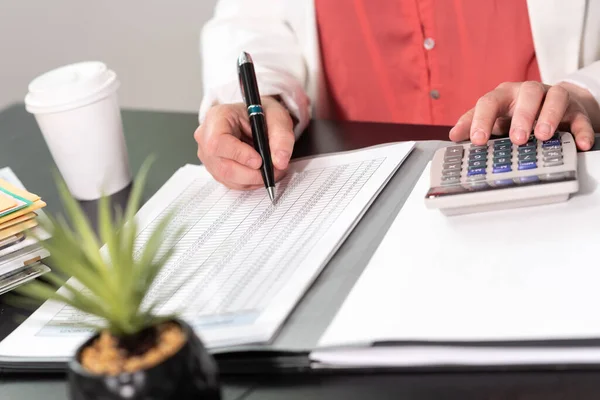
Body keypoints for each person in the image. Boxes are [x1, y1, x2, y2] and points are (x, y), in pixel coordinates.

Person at [195, 0, 600, 190]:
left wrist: (584, 92)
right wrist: (267, 96)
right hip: (349, 189)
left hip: (536, 176)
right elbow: (252, 20)